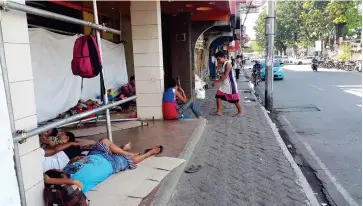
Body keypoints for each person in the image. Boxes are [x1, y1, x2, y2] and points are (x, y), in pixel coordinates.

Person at [44, 138, 162, 193]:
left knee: (104, 141)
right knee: (129, 160)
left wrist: (73, 160)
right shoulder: (73, 186)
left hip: (93, 155)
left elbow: (71, 164)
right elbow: (75, 182)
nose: (57, 168)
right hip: (110, 163)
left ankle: (125, 150)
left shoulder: (65, 170)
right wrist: (49, 180)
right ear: (60, 176)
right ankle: (149, 153)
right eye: (56, 170)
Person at [41, 133, 134, 172]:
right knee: (99, 149)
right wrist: (71, 143)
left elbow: (54, 149)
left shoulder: (68, 145)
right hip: (67, 158)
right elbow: (55, 149)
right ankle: (123, 150)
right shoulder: (66, 145)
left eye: (62, 134)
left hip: (67, 157)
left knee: (98, 148)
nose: (59, 135)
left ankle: (123, 150)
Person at [212, 52, 243, 117]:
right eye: (217, 59)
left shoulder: (228, 64)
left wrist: (216, 82)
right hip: (224, 84)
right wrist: (218, 67)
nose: (218, 61)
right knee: (218, 96)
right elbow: (220, 72)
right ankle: (218, 111)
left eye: (219, 59)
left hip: (230, 85)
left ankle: (240, 112)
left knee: (235, 99)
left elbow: (225, 76)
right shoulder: (222, 63)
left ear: (224, 57)